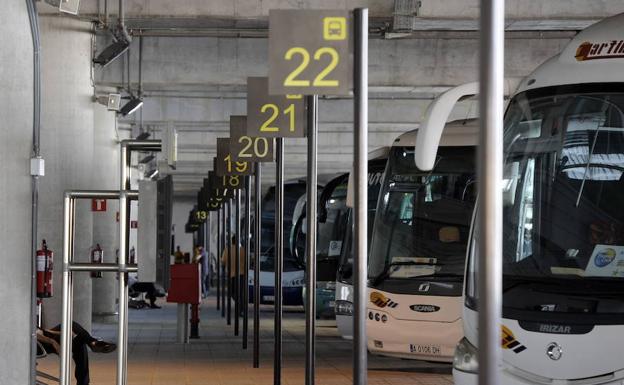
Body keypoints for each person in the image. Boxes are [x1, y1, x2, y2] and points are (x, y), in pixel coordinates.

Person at [37, 321, 116, 385]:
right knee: (76, 335)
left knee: (74, 333)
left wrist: (62, 333)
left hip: (45, 336)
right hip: (38, 344)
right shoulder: (25, 314)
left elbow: (40, 331)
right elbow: (33, 334)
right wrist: (53, 342)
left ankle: (92, 342)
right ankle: (93, 342)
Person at [221, 235, 246, 308]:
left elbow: (223, 262)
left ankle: (238, 303)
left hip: (232, 275)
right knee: (240, 292)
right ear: (239, 241)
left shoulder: (227, 250)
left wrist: (224, 271)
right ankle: (241, 307)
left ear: (232, 241)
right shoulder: (243, 250)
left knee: (232, 292)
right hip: (242, 274)